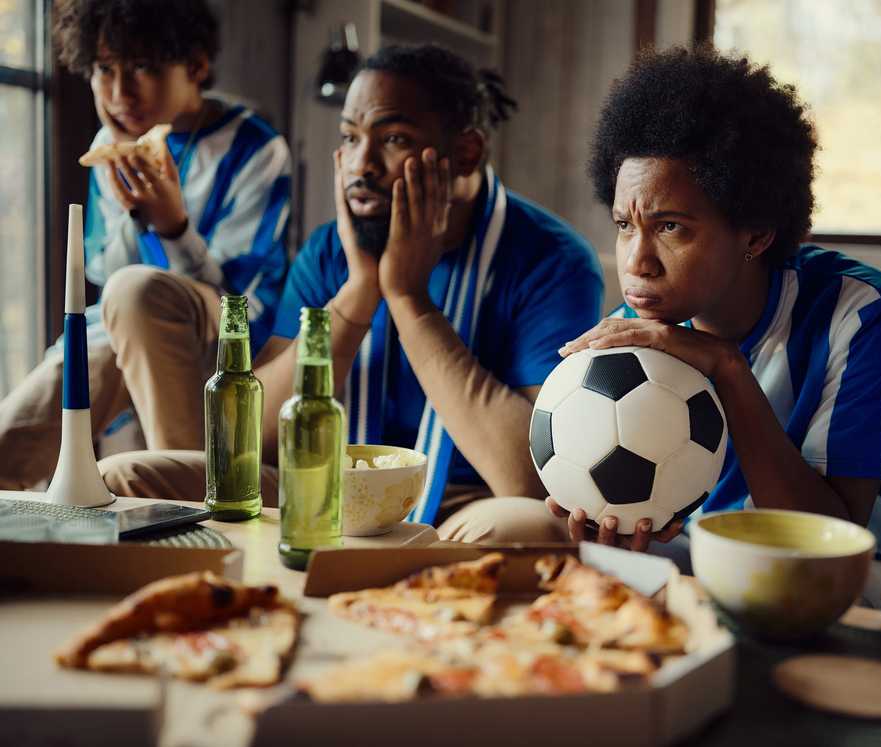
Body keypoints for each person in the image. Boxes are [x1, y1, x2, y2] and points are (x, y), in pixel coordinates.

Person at [457, 46, 881, 598]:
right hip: (696, 554)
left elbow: (831, 532)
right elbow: (650, 526)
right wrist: (610, 521)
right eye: (625, 225)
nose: (636, 261)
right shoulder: (632, 335)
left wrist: (726, 367)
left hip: (835, 571)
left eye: (670, 227)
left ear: (755, 234)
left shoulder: (857, 310)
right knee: (510, 526)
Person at [99, 43, 604, 538]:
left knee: (527, 525)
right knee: (125, 477)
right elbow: (258, 445)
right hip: (326, 483)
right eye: (350, 137)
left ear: (466, 153)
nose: (362, 166)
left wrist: (408, 300)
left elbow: (527, 478)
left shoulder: (553, 261)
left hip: (461, 503)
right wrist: (359, 292)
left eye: (394, 140)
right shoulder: (330, 251)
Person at [0, 0, 290, 488]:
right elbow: (102, 274)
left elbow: (242, 306)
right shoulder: (111, 147)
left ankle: (192, 506)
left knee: (136, 295)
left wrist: (173, 226)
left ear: (195, 66)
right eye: (104, 69)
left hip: (223, 337)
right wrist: (134, 211)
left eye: (142, 68)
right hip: (115, 328)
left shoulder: (255, 149)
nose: (119, 92)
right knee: (9, 444)